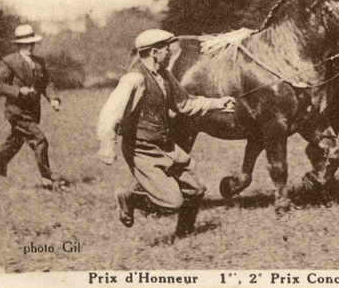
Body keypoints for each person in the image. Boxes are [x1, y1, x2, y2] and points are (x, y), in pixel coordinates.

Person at [96, 29, 235, 238]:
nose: (171, 53)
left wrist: (218, 103)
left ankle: (184, 234)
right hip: (141, 148)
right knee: (172, 201)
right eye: (167, 49)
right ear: (154, 52)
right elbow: (110, 112)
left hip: (165, 145)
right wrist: (107, 143)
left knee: (196, 190)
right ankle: (130, 198)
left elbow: (185, 103)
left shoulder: (164, 75)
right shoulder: (134, 79)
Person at [0, 24, 62, 191]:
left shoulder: (39, 62)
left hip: (32, 112)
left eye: (32, 43)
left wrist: (53, 99)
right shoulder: (9, 61)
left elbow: (46, 83)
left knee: (13, 145)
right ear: (19, 44)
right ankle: (48, 180)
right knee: (40, 140)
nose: (30, 46)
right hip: (16, 112)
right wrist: (19, 91)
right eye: (26, 44)